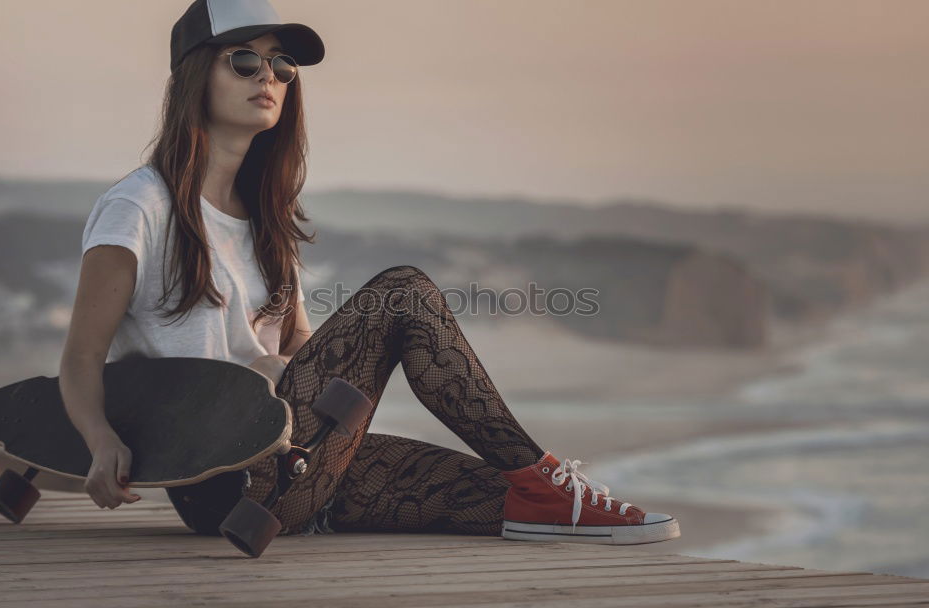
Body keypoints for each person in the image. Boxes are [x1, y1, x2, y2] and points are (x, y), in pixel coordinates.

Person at [60, 0, 680, 545]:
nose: (268, 77)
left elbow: (297, 343)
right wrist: (100, 441)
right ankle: (548, 477)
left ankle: (542, 492)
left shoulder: (265, 217)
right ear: (196, 72)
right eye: (244, 60)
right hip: (222, 479)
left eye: (282, 65)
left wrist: (302, 373)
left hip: (295, 458)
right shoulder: (139, 206)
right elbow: (82, 358)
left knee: (503, 498)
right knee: (401, 294)